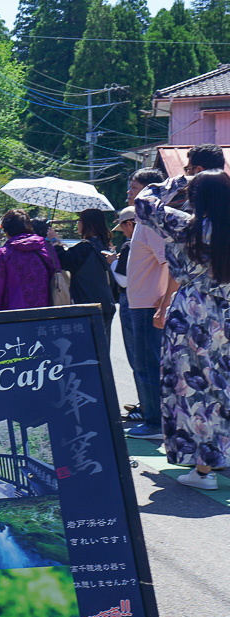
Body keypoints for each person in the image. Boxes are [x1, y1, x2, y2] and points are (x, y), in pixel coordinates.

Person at [136, 169, 230, 490]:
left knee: (194, 389)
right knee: (224, 385)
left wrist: (176, 181)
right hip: (227, 313)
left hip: (192, 315)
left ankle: (203, 470)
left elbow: (144, 203)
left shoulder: (186, 225)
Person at [124, 169, 169, 441]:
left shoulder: (150, 222)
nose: (129, 192)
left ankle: (154, 422)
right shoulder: (143, 220)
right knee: (145, 363)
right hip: (143, 303)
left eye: (134, 187)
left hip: (148, 305)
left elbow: (169, 262)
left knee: (147, 365)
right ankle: (155, 419)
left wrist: (163, 303)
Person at [51, 208, 117, 344]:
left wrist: (55, 241)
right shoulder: (102, 244)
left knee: (88, 350)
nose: (78, 224)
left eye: (80, 221)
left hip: (88, 305)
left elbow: (65, 261)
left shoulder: (85, 247)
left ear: (88, 224)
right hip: (106, 304)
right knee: (102, 351)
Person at [0, 209, 61, 311]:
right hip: (45, 314)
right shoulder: (46, 247)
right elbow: (56, 275)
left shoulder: (4, 254)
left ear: (6, 231)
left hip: (14, 317)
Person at [109, 207, 139, 420]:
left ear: (129, 224)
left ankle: (146, 407)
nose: (123, 232)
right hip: (150, 300)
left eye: (123, 227)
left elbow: (124, 280)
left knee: (136, 357)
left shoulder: (131, 245)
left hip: (131, 300)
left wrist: (112, 263)